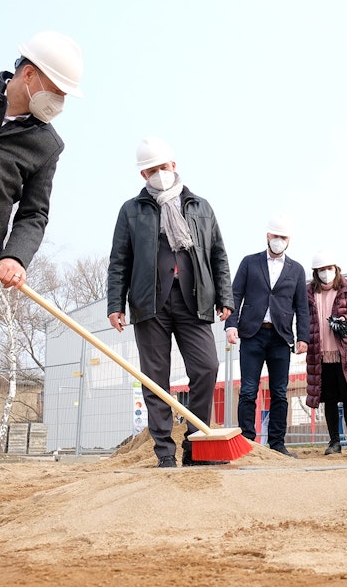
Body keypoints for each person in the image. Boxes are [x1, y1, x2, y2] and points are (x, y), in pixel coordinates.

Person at [0, 31, 83, 518]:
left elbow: (34, 214)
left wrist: (15, 257)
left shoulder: (46, 145)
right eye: (55, 89)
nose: (58, 102)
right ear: (28, 74)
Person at [107, 137, 234, 468]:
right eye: (152, 170)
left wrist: (225, 296)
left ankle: (197, 445)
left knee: (206, 367)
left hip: (195, 301)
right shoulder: (131, 211)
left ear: (174, 166)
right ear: (142, 175)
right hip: (150, 304)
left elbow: (218, 254)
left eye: (163, 167)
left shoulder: (200, 207)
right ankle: (164, 452)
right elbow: (119, 260)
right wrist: (115, 304)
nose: (159, 174)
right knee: (155, 378)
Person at [226, 215, 309, 458]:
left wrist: (303, 336)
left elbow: (302, 307)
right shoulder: (249, 263)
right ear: (267, 236)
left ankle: (277, 443)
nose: (279, 241)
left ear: (289, 240)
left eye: (283, 237)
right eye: (275, 237)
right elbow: (235, 294)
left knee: (280, 392)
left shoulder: (297, 270)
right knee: (249, 390)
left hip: (281, 338)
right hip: (252, 333)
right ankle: (247, 441)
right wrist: (231, 325)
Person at [305, 251, 347, 455]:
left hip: (345, 355)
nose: (326, 273)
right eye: (322, 270)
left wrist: (346, 321)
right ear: (316, 272)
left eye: (329, 268)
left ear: (336, 269)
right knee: (329, 399)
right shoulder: (308, 293)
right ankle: (334, 442)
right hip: (320, 355)